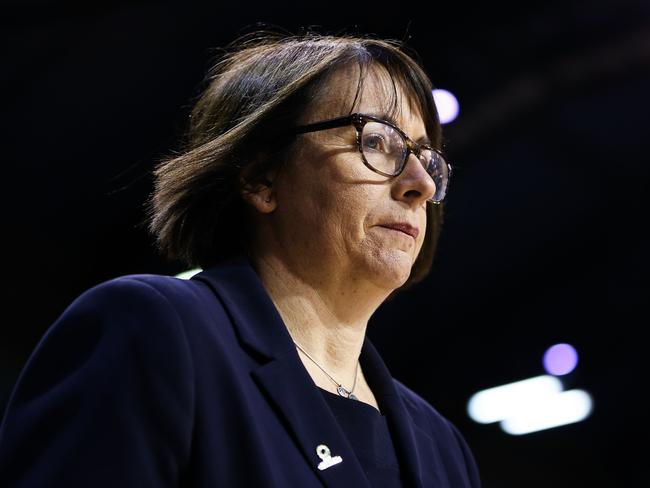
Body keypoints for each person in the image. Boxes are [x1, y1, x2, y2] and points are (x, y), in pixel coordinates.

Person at [0, 31, 480, 487]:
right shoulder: (154, 330)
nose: (422, 182)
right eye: (375, 141)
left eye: (425, 156)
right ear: (261, 178)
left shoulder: (442, 446)